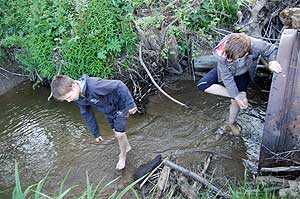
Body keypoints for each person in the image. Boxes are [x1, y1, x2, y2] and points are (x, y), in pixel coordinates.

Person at [197, 33, 282, 135]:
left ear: (245, 54)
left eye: (233, 59)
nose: (230, 60)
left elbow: (272, 49)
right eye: (228, 58)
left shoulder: (256, 45)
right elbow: (227, 77)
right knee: (203, 84)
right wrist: (236, 95)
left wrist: (272, 61)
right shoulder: (223, 50)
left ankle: (231, 123)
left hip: (243, 73)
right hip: (226, 71)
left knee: (236, 101)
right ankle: (238, 96)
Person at [50, 75, 137, 170]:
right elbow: (87, 114)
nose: (69, 100)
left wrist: (130, 104)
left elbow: (119, 85)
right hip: (108, 110)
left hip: (121, 106)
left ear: (74, 86)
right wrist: (96, 133)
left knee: (119, 134)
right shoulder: (78, 97)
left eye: (69, 97)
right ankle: (127, 147)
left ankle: (122, 156)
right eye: (66, 100)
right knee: (115, 131)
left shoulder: (94, 86)